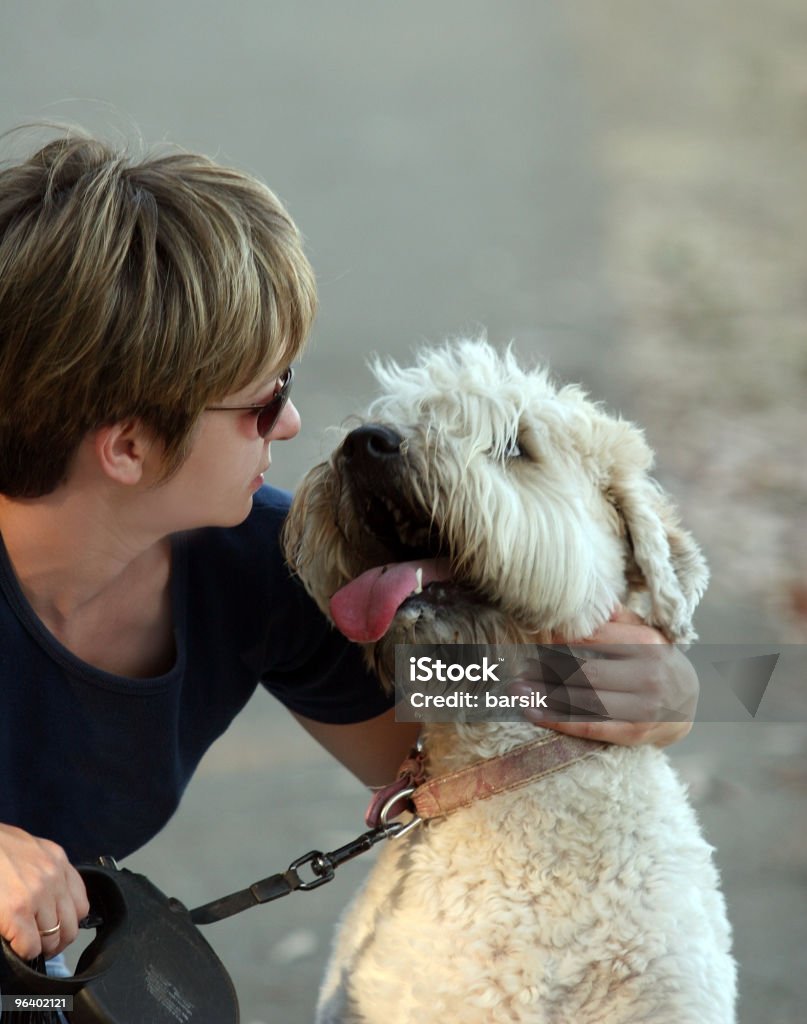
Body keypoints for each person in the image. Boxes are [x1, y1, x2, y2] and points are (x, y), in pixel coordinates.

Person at [0, 129, 698, 969]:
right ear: (130, 448)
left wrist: (672, 690)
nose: (291, 424)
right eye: (265, 399)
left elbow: (437, 724)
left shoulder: (253, 567)